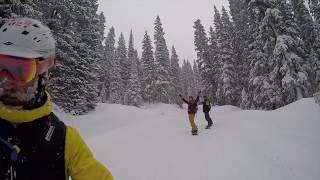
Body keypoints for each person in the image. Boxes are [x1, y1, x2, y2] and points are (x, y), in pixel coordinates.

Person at [0, 18, 113, 180]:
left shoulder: (64, 139)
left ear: (43, 74)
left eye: (20, 70)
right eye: (1, 68)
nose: (6, 81)